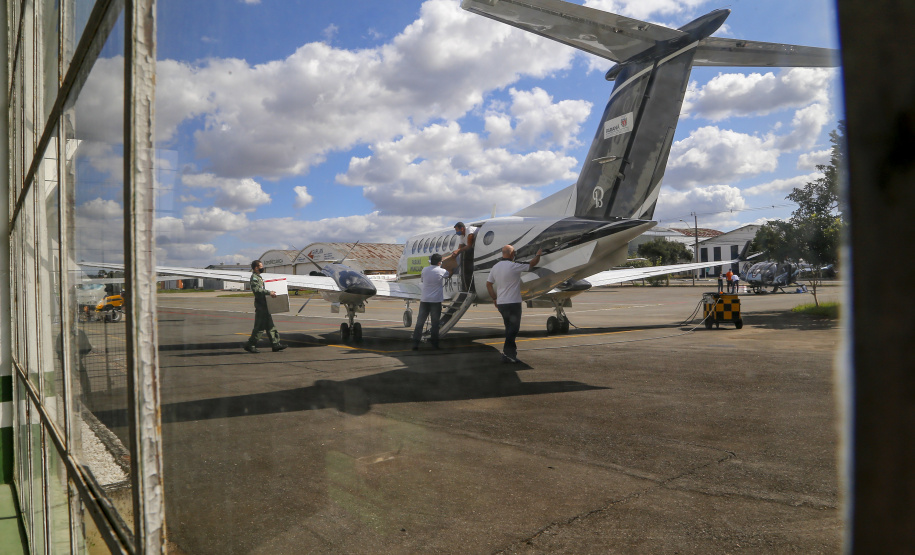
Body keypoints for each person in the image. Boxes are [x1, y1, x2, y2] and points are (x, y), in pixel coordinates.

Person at [486, 245, 543, 363]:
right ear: (512, 254)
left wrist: (494, 298)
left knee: (509, 328)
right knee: (514, 329)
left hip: (501, 303)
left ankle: (510, 355)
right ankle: (507, 354)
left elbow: (488, 284)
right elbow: (532, 263)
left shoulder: (495, 267)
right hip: (513, 302)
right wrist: (538, 254)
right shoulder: (514, 266)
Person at [244, 260, 287, 353]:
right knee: (259, 327)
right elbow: (257, 290)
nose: (262, 267)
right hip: (261, 306)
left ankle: (275, 345)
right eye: (261, 266)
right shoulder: (254, 278)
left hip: (265, 305)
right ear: (256, 268)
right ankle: (250, 345)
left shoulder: (259, 277)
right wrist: (269, 292)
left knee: (270, 326)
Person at [412, 253, 451, 350]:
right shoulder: (441, 271)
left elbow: (423, 279)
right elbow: (449, 274)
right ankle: (435, 344)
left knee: (420, 323)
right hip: (436, 301)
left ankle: (415, 344)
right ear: (439, 262)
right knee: (435, 324)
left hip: (425, 300)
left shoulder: (424, 270)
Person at [452, 221, 478, 290]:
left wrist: (458, 251)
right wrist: (455, 253)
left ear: (462, 228)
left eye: (457, 230)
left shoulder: (469, 231)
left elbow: (469, 246)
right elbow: (460, 247)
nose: (456, 232)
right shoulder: (462, 236)